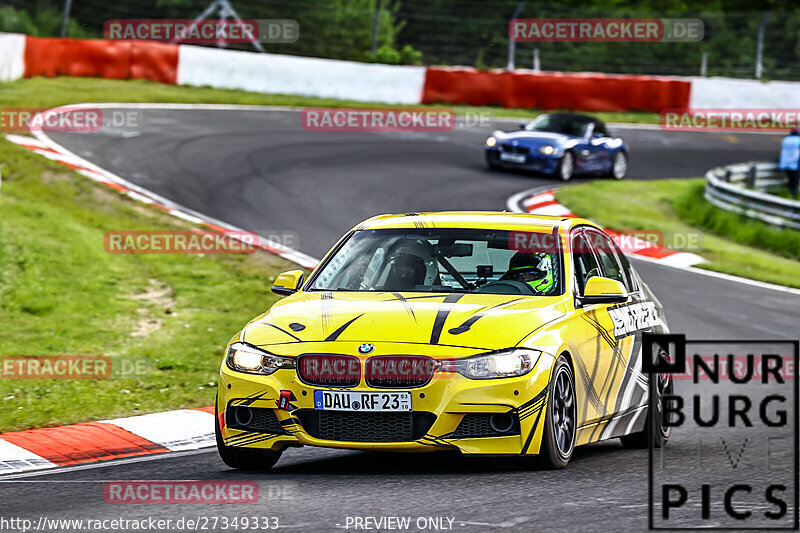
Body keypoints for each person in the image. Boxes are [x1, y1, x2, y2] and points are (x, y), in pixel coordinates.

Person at [779, 128, 800, 198]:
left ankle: (789, 195)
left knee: (790, 180)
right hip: (795, 163)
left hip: (785, 163)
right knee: (795, 181)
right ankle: (794, 196)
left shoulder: (785, 140)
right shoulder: (798, 140)